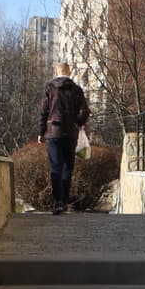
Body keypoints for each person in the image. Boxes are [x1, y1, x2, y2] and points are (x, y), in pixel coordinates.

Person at [38, 62, 90, 214]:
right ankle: (65, 201)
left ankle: (58, 202)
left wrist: (41, 132)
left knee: (56, 167)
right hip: (71, 133)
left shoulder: (49, 88)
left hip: (54, 132)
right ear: (69, 72)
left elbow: (43, 111)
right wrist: (78, 123)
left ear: (56, 72)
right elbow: (85, 111)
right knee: (68, 167)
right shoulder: (77, 89)